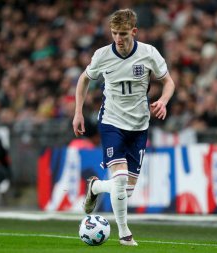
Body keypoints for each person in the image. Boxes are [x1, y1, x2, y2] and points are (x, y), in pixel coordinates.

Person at [72, 9, 175, 246]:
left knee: (125, 192)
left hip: (139, 126)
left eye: (123, 33)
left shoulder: (149, 53)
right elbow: (84, 79)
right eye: (115, 33)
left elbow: (168, 81)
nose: (118, 38)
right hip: (112, 122)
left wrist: (163, 101)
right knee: (119, 181)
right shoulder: (102, 55)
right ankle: (124, 234)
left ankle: (95, 186)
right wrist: (78, 111)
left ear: (134, 32)